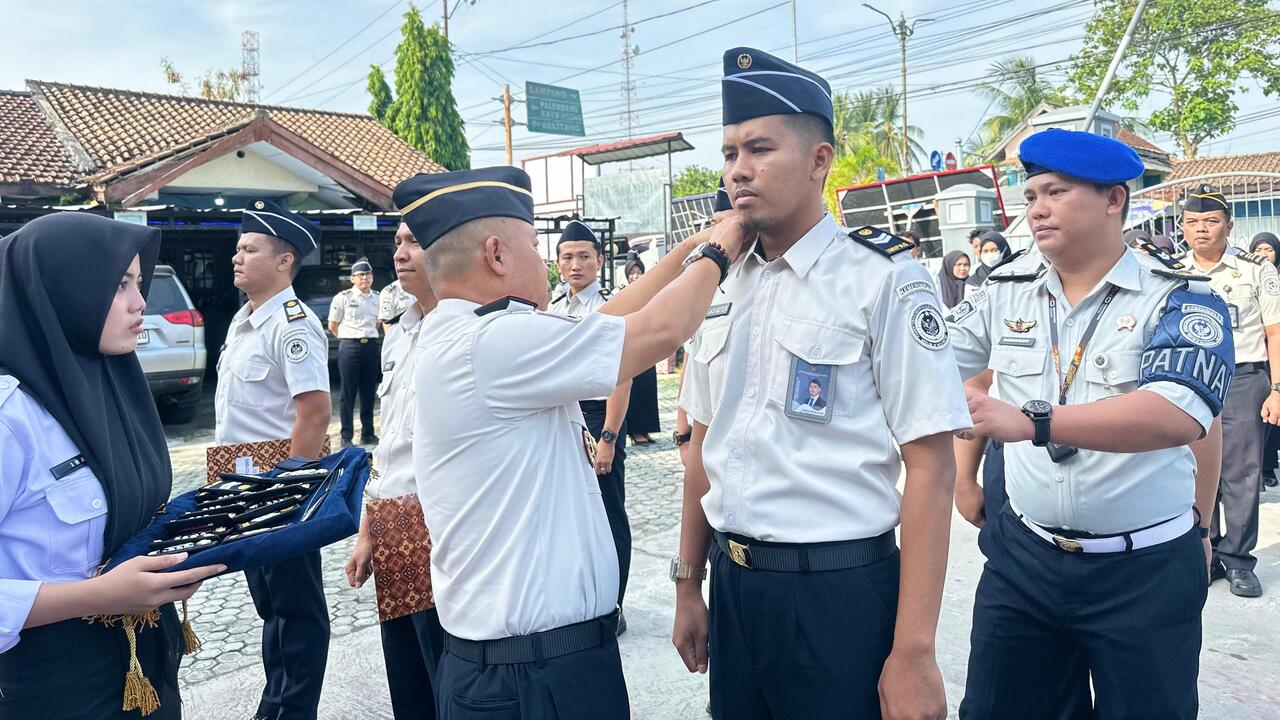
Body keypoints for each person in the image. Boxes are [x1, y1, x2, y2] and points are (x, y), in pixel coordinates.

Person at [673, 47, 971, 720]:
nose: (738, 169)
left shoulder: (882, 279)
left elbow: (931, 466)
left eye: (759, 149)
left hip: (838, 593)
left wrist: (914, 651)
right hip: (735, 587)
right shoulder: (719, 282)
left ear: (819, 160)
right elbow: (701, 444)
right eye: (729, 153)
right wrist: (690, 582)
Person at [395, 165, 749, 720]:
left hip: (518, 665)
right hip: (531, 676)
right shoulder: (493, 342)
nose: (547, 263)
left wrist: (689, 247)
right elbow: (659, 331)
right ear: (496, 254)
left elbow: (612, 316)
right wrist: (723, 249)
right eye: (535, 248)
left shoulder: (472, 336)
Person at [946, 128, 1233, 718]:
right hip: (1025, 560)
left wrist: (1036, 422)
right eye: (1031, 196)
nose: (1037, 209)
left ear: (1113, 200)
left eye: (1056, 192)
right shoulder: (1005, 290)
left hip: (1144, 570)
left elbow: (1178, 412)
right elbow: (933, 362)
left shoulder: (1179, 296)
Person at [0, 213, 225, 720]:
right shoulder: (11, 417)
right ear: (62, 290)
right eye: (120, 284)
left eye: (139, 283)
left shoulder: (113, 387)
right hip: (51, 683)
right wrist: (97, 595)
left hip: (145, 661)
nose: (141, 302)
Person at [217, 199, 332, 720]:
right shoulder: (244, 321)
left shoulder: (293, 324)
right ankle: (276, 705)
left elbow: (314, 413)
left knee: (296, 611)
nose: (237, 257)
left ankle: (291, 710)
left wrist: (289, 492)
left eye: (249, 249)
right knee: (271, 607)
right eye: (238, 248)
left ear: (284, 261)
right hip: (244, 485)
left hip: (278, 490)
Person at [345, 221, 444, 720]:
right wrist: (369, 531)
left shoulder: (465, 331)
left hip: (443, 527)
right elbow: (389, 447)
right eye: (398, 242)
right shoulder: (399, 332)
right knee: (408, 676)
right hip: (395, 527)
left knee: (449, 675)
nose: (400, 254)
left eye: (414, 242)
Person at [1179, 185, 1280, 598]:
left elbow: (1275, 331)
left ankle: (1237, 559)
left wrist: (1277, 388)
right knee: (1193, 470)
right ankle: (1205, 552)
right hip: (1190, 377)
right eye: (1192, 222)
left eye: (1211, 221)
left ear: (1229, 225)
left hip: (1243, 378)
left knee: (1241, 471)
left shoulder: (1256, 270)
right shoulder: (1172, 270)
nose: (1201, 229)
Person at [548, 220, 636, 629]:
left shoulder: (611, 307)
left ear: (600, 261)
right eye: (567, 257)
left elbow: (622, 376)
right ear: (557, 263)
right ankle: (581, 602)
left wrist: (609, 437)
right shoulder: (551, 307)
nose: (576, 264)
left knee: (608, 513)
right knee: (569, 512)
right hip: (561, 414)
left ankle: (614, 606)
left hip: (599, 416)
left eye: (584, 256)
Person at [329, 258, 382, 448]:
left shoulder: (378, 297)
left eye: (368, 274)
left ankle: (368, 434)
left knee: (369, 392)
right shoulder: (343, 297)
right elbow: (333, 325)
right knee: (348, 392)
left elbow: (378, 322)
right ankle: (346, 436)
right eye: (360, 275)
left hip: (370, 346)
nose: (365, 278)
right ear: (352, 278)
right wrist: (347, 338)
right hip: (350, 346)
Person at [1250, 231, 1280, 488]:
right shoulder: (1248, 274)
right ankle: (1264, 467)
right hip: (1260, 354)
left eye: (1268, 250)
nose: (1263, 255)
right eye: (1258, 250)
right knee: (1261, 417)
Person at [623, 256, 662, 446]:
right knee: (634, 391)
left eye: (639, 272)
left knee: (648, 390)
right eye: (632, 273)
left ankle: (646, 429)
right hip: (631, 348)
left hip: (648, 346)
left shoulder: (650, 293)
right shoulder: (621, 294)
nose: (636, 276)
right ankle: (635, 432)